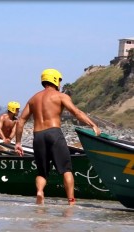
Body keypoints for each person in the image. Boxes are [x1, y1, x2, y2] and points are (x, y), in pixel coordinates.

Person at [14, 68, 101, 206]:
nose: (60, 83)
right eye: (60, 80)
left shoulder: (33, 99)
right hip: (54, 133)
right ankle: (71, 201)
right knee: (66, 170)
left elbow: (20, 121)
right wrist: (93, 125)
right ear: (55, 79)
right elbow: (76, 112)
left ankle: (40, 192)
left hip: (38, 136)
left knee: (42, 172)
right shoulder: (60, 96)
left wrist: (18, 142)